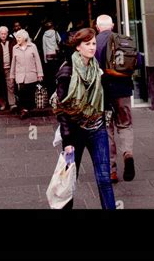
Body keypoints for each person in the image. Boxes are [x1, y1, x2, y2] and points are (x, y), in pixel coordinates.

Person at [53, 28, 116, 210]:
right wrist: (67, 140)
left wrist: (106, 114)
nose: (92, 47)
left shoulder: (97, 69)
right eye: (87, 44)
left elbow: (104, 98)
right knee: (70, 179)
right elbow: (61, 108)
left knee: (105, 178)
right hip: (75, 131)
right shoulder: (67, 71)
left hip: (97, 128)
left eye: (94, 43)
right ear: (78, 47)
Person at [95, 14, 135, 183]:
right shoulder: (124, 40)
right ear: (112, 25)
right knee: (125, 124)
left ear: (97, 27)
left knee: (107, 128)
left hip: (103, 92)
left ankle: (111, 170)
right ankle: (128, 153)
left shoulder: (93, 42)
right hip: (123, 90)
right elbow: (137, 61)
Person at [10, 29, 43, 119]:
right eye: (16, 37)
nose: (17, 39)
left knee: (30, 93)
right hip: (20, 75)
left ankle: (28, 109)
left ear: (24, 38)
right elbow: (13, 62)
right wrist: (12, 75)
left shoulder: (33, 46)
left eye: (19, 37)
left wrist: (40, 73)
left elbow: (37, 61)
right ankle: (24, 110)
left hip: (31, 74)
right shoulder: (15, 48)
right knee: (22, 93)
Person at [42, 21, 61, 96]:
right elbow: (59, 40)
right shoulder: (55, 32)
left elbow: (44, 47)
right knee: (57, 72)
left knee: (50, 74)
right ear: (52, 26)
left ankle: (51, 90)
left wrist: (45, 59)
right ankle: (57, 89)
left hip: (48, 56)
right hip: (55, 55)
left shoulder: (44, 35)